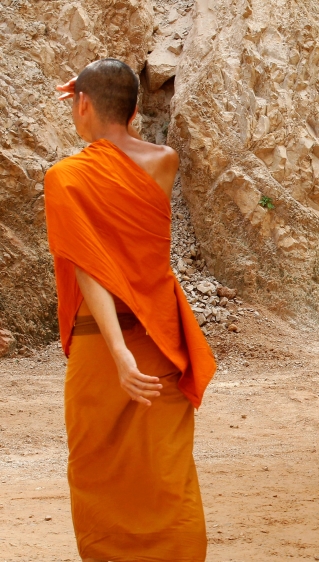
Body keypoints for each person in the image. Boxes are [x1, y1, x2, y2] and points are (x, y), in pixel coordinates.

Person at [44, 58, 215, 561]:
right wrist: (103, 94)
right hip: (160, 337)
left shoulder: (66, 178)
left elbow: (88, 268)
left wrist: (119, 355)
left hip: (103, 346)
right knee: (165, 469)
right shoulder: (164, 162)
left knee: (99, 469)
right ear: (136, 110)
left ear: (81, 104)